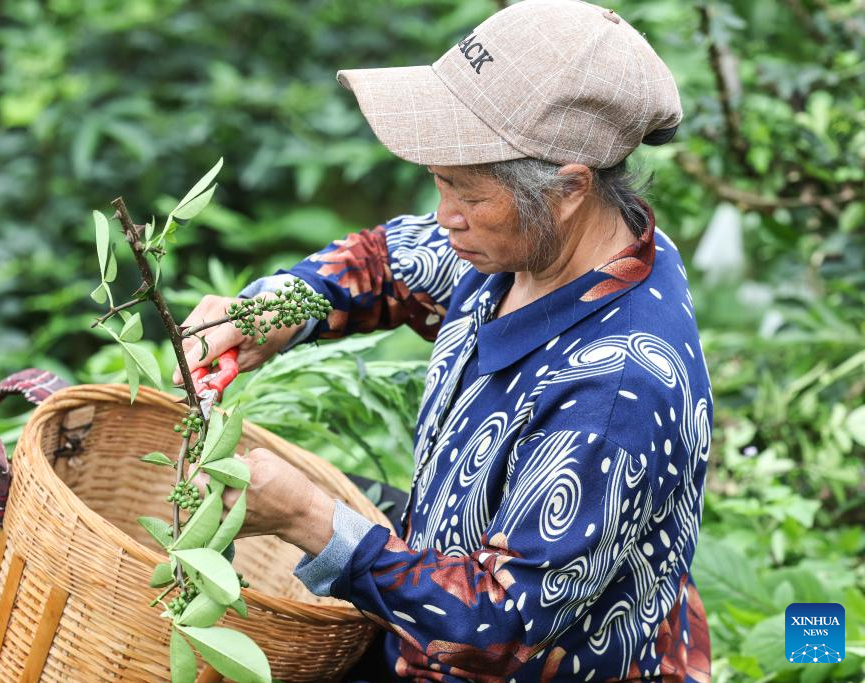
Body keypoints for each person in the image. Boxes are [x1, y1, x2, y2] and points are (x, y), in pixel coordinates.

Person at [176, 1, 713, 680]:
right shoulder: (536, 243)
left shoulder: (616, 388)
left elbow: (498, 626)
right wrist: (281, 307)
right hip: (438, 606)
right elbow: (390, 261)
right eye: (439, 182)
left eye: (464, 191)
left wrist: (310, 517)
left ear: (570, 188)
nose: (444, 216)